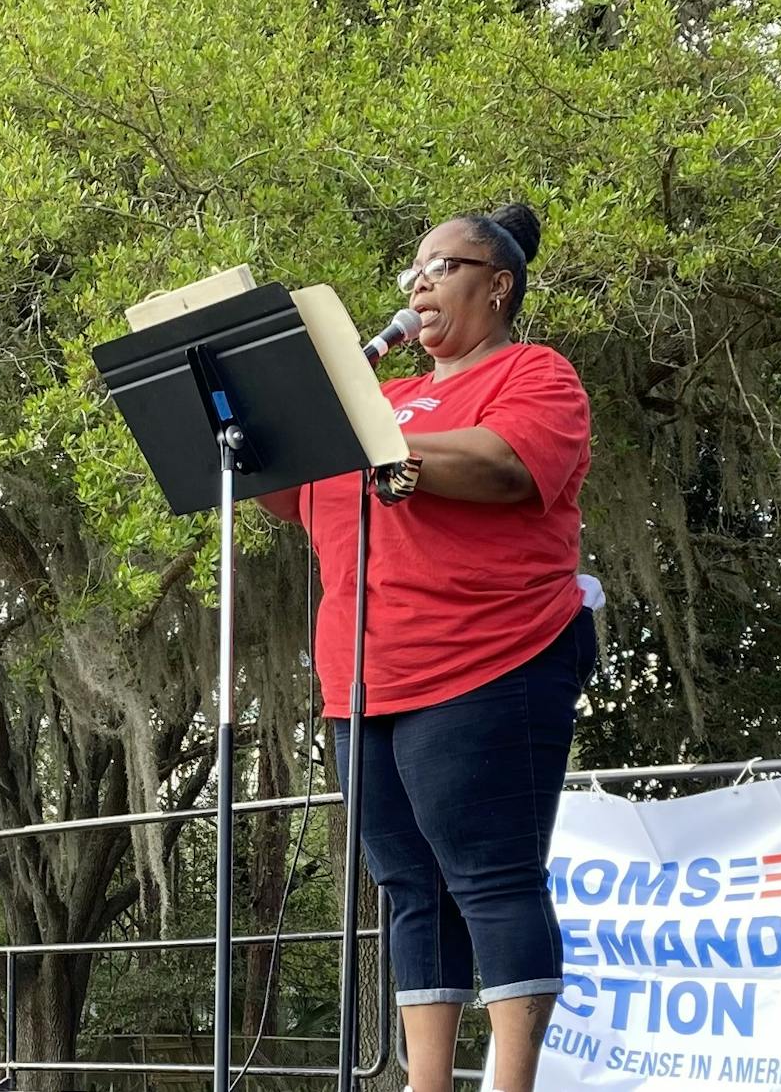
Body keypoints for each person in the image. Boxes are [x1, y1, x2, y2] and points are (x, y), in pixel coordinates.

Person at [257, 202, 594, 1092]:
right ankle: (426, 1081)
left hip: (488, 659)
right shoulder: (385, 400)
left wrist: (394, 449)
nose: (420, 283)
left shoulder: (534, 373)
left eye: (444, 267)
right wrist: (280, 417)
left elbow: (505, 464)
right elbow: (287, 496)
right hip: (363, 679)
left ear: (498, 285)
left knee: (492, 876)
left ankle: (510, 1083)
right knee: (409, 884)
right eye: (414, 270)